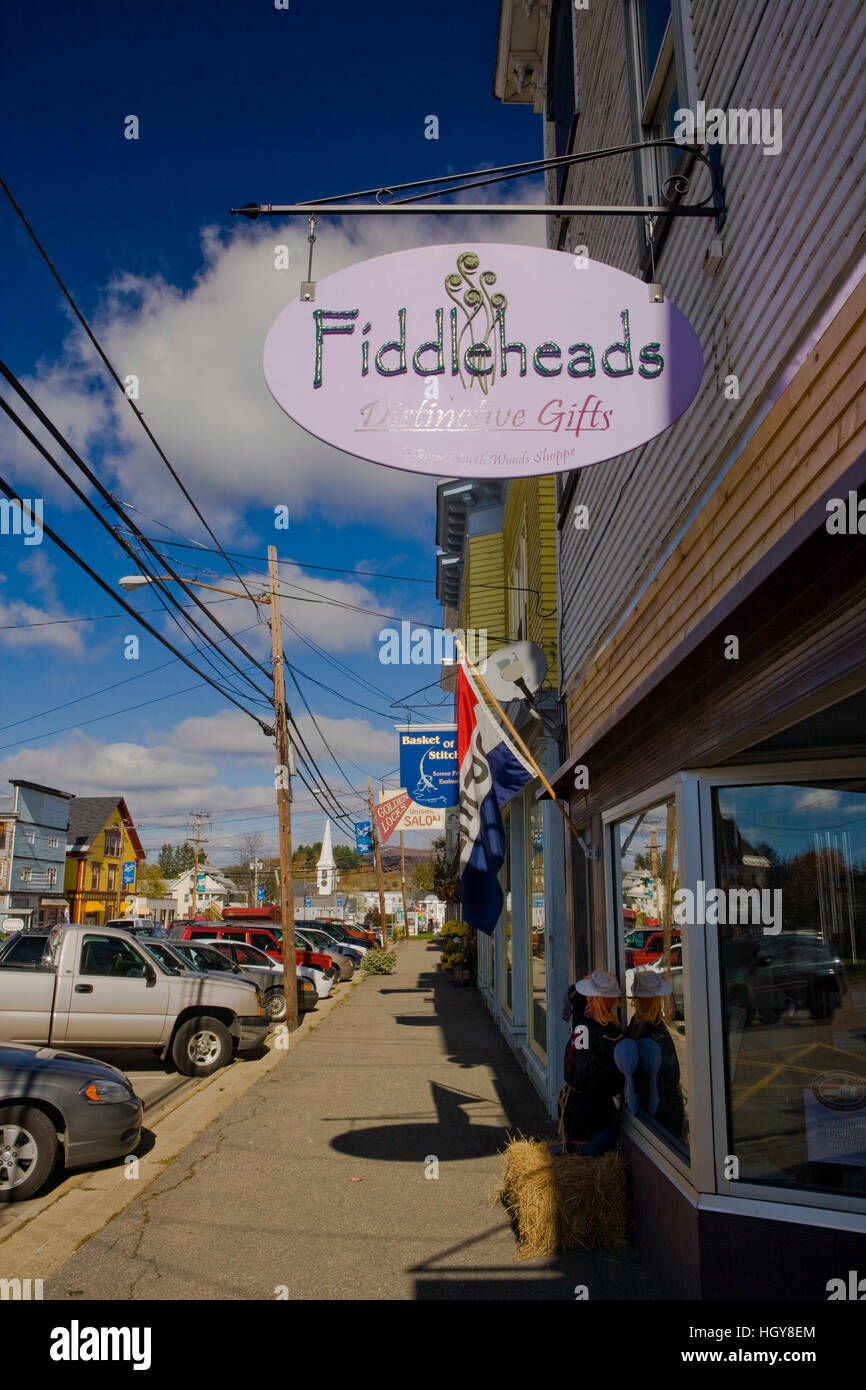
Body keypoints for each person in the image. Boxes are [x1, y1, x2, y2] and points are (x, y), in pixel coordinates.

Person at [553, 969, 638, 1156]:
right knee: (586, 1154)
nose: (586, 1005)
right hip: (593, 1115)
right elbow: (613, 1084)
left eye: (591, 1000)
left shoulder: (583, 1021)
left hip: (575, 1107)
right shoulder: (612, 1037)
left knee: (574, 1154)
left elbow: (573, 994)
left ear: (597, 1002)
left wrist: (588, 979)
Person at [626, 971, 686, 1139]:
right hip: (651, 1105)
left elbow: (669, 1077)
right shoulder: (642, 1024)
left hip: (661, 1110)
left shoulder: (652, 1030)